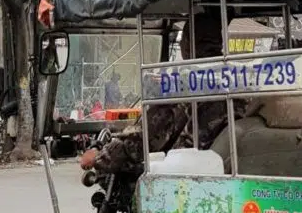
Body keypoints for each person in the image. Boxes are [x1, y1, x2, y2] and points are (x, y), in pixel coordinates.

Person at [80, 12, 252, 176]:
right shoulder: (240, 83)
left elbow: (142, 140)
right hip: (226, 167)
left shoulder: (183, 84)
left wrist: (101, 156)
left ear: (186, 44)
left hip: (186, 172)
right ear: (218, 43)